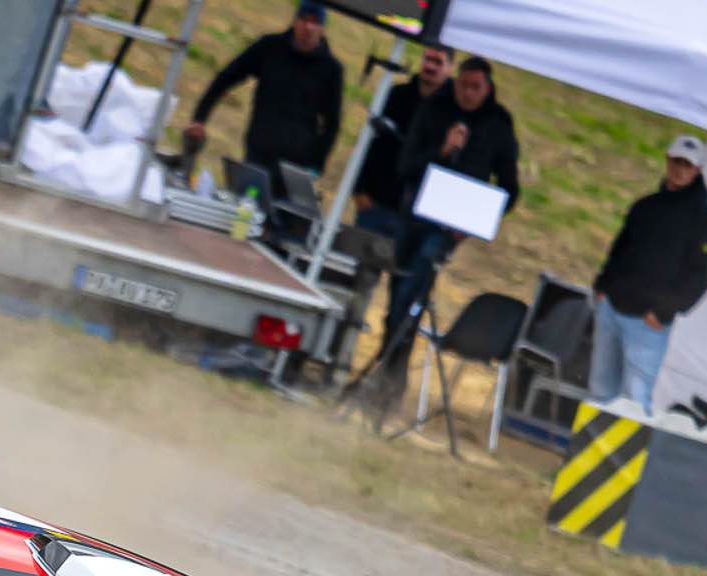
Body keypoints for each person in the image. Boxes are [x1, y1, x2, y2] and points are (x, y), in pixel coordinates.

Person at [373, 56, 521, 357]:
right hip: (414, 212)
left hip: (449, 227)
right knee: (398, 289)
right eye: (463, 85)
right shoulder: (434, 108)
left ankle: (391, 360)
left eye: (475, 87)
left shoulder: (498, 125)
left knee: (414, 286)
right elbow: (406, 165)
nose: (467, 93)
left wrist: (473, 222)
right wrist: (442, 150)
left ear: (487, 88)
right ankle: (389, 356)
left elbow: (509, 188)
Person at [588, 134, 707, 411]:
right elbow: (619, 248)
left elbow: (701, 276)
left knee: (635, 398)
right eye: (676, 161)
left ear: (697, 170)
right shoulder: (645, 206)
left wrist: (664, 311)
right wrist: (602, 287)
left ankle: (625, 443)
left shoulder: (704, 220)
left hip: (647, 323)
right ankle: (588, 440)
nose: (680, 169)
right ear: (667, 160)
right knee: (600, 388)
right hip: (612, 307)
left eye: (687, 165)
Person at [184, 2, 345, 183]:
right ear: (295, 21)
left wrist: (317, 164)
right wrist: (200, 118)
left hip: (296, 166)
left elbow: (332, 123)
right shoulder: (270, 47)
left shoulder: (332, 70)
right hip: (258, 154)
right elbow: (226, 77)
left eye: (315, 22)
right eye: (304, 19)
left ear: (322, 28)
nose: (308, 27)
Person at [349, 43, 455, 218]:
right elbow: (371, 143)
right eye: (428, 59)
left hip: (418, 212)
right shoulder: (397, 95)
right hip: (376, 200)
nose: (430, 66)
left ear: (450, 68)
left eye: (438, 62)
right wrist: (359, 188)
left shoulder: (452, 111)